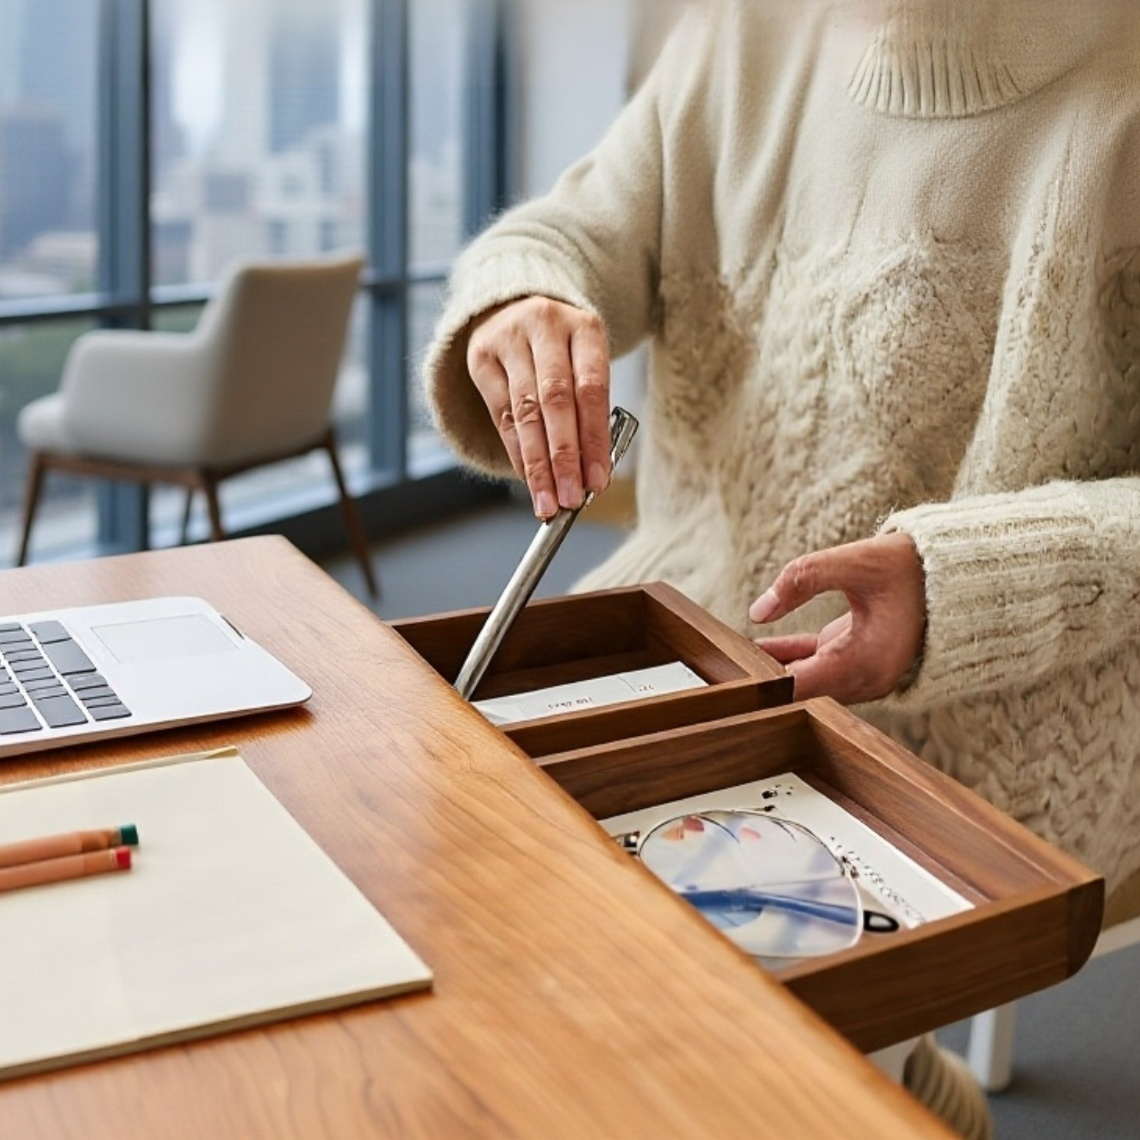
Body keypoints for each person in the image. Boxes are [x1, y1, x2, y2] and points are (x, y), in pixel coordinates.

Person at [424, 1, 1140, 1131]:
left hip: (1005, 695)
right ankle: (898, 1079)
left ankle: (882, 1074)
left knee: (675, 1060)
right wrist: (520, 303)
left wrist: (959, 585)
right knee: (459, 897)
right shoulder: (738, 33)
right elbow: (565, 232)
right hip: (689, 630)